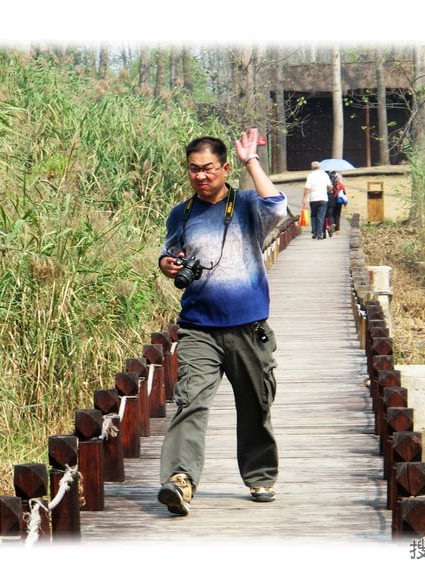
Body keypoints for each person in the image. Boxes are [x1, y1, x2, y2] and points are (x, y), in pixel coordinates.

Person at [156, 128, 287, 516]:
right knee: (190, 402)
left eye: (209, 168)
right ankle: (180, 480)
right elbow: (169, 255)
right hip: (199, 326)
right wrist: (167, 265)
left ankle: (260, 474)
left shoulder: (247, 204)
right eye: (193, 169)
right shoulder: (181, 213)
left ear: (224, 167)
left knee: (256, 404)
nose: (201, 176)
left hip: (249, 325)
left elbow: (278, 207)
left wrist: (252, 161)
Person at [302, 161, 332, 240]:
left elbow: (307, 188)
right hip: (323, 198)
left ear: (312, 168)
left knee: (313, 216)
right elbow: (329, 186)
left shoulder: (311, 175)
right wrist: (328, 188)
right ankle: (319, 234)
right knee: (321, 216)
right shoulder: (325, 175)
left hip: (313, 198)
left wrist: (304, 197)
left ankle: (314, 232)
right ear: (319, 167)